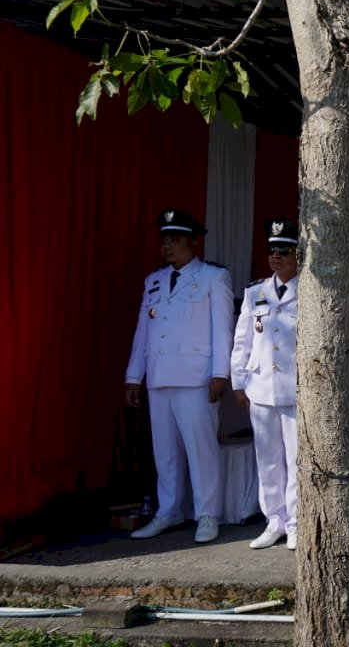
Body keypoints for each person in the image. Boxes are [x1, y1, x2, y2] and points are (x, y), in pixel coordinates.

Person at [125, 209, 233, 543]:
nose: (167, 246)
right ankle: (169, 511)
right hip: (160, 376)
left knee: (201, 451)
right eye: (165, 240)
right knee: (165, 451)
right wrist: (134, 375)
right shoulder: (153, 281)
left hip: (195, 377)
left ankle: (207, 513)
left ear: (192, 242)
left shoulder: (213, 277)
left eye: (175, 239)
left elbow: (222, 328)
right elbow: (145, 330)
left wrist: (220, 373)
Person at [230, 219, 301, 550]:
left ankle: (297, 521)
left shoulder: (310, 290)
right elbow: (242, 340)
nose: (276, 256)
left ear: (298, 254)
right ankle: (274, 520)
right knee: (268, 458)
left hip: (296, 388)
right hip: (261, 386)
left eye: (284, 250)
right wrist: (238, 381)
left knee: (296, 457)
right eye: (272, 250)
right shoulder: (254, 292)